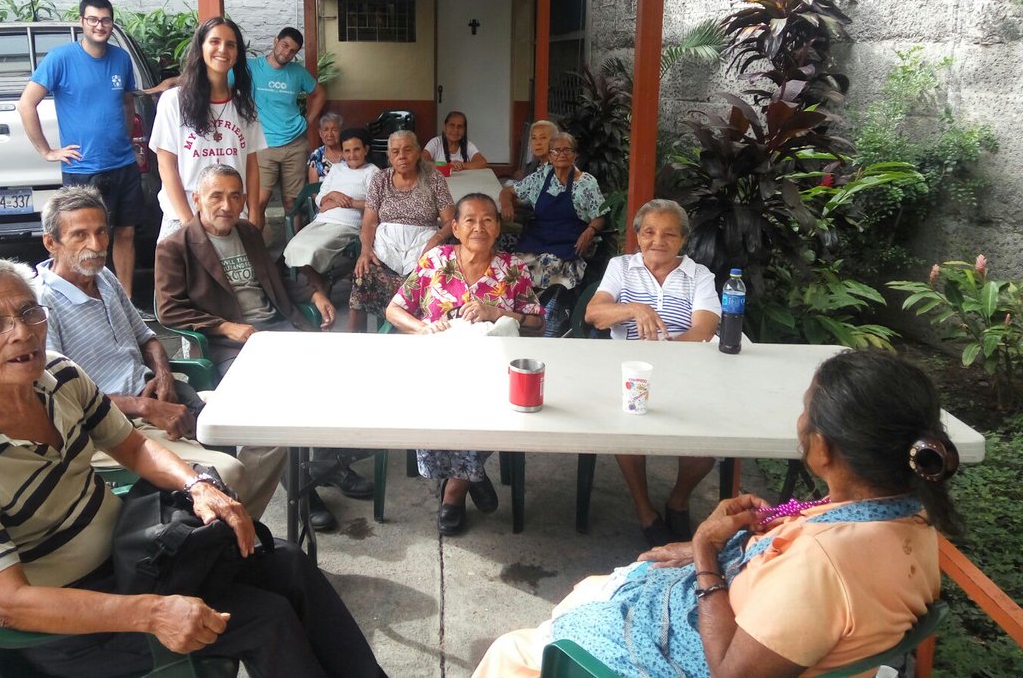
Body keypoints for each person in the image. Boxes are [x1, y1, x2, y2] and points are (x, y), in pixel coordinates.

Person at [0, 258, 388, 678]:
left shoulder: (57, 376)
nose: (22, 332)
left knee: (287, 564)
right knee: (266, 619)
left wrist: (198, 484)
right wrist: (153, 613)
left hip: (132, 558)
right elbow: (10, 604)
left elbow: (133, 447)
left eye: (29, 312)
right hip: (70, 626)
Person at [472, 349, 960, 678]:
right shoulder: (910, 520)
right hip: (779, 629)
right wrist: (756, 537)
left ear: (824, 450)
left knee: (513, 651)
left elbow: (731, 672)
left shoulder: (822, 566)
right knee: (590, 589)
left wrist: (705, 549)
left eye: (805, 411)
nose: (800, 422)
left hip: (717, 651)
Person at [33, 185, 278, 517]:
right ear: (52, 243)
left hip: (156, 399)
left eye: (101, 231)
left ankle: (227, 538)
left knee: (272, 433)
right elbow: (59, 397)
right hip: (110, 427)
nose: (96, 245)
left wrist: (163, 377)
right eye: (80, 235)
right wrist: (144, 407)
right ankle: (226, 536)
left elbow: (148, 339)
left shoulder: (104, 277)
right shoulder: (40, 305)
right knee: (229, 473)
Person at [155, 165, 368, 530]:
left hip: (278, 328)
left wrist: (314, 292)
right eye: (216, 196)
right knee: (278, 401)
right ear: (197, 199)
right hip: (232, 344)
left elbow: (278, 278)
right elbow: (168, 309)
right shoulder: (175, 247)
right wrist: (224, 326)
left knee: (338, 376)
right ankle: (303, 490)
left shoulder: (249, 233)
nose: (227, 205)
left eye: (235, 196)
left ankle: (328, 465)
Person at [385, 193, 544, 534]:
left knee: (495, 405)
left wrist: (498, 311)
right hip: (438, 365)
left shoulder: (512, 268)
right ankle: (474, 474)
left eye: (488, 219)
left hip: (492, 369)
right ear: (455, 227)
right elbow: (394, 310)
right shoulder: (435, 261)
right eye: (469, 220)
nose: (479, 227)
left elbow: (537, 324)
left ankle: (455, 489)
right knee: (430, 404)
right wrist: (424, 327)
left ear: (498, 227)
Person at [585, 199, 722, 546]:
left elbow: (704, 328)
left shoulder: (699, 275)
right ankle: (644, 509)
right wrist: (634, 308)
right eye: (648, 232)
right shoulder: (622, 267)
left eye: (669, 233)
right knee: (625, 432)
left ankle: (678, 498)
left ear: (682, 240)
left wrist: (666, 356)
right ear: (637, 236)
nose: (657, 240)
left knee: (707, 437)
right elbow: (594, 313)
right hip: (628, 367)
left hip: (685, 366)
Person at [19, 0, 142, 297]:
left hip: (123, 164)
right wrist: (47, 151)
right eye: (93, 19)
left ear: (112, 23)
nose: (100, 25)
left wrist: (127, 142)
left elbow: (127, 103)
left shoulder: (121, 59)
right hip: (83, 170)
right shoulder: (61, 58)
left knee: (125, 233)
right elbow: (26, 104)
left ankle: (123, 302)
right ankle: (89, 299)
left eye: (105, 20)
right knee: (86, 240)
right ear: (81, 22)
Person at [149, 17, 267, 240]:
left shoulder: (244, 105)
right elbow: (166, 164)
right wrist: (187, 222)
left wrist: (254, 213)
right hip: (183, 217)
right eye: (214, 41)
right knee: (179, 275)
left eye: (231, 44)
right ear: (200, 47)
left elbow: (251, 164)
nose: (222, 49)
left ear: (237, 54)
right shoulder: (174, 100)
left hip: (232, 216)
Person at [349, 130, 455, 332]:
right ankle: (355, 341)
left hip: (422, 245)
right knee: (362, 273)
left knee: (429, 278)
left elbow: (451, 221)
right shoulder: (380, 179)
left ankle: (419, 331)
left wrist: (437, 239)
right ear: (389, 157)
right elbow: (370, 221)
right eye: (395, 152)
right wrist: (365, 251)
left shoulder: (434, 178)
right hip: (386, 247)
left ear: (417, 152)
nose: (402, 156)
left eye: (407, 150)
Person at [499, 132, 605, 293]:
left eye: (567, 150)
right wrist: (506, 204)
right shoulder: (541, 176)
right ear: (549, 155)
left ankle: (548, 307)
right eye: (556, 150)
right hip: (539, 237)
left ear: (575, 155)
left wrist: (590, 231)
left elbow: (600, 216)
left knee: (548, 268)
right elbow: (507, 191)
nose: (561, 154)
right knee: (512, 268)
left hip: (569, 242)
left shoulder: (586, 183)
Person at [244, 28, 326, 230]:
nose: (287, 53)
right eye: (285, 45)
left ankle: (292, 255)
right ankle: (258, 252)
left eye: (293, 51)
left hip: (295, 145)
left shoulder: (298, 72)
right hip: (263, 144)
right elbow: (217, 82)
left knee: (292, 203)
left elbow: (319, 94)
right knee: (258, 202)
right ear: (276, 41)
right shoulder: (251, 67)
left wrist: (307, 120)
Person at [284, 127, 377, 294]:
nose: (352, 155)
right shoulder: (337, 169)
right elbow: (320, 198)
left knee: (313, 250)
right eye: (347, 150)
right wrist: (333, 194)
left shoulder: (372, 172)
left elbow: (376, 204)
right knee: (292, 247)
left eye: (356, 149)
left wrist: (344, 202)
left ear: (366, 149)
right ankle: (320, 282)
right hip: (322, 220)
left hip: (347, 224)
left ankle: (320, 284)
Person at [421, 110, 489, 172]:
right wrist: (448, 166)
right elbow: (422, 161)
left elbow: (482, 162)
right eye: (452, 125)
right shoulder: (435, 142)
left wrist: (461, 165)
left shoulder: (468, 145)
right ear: (444, 127)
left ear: (464, 130)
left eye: (459, 126)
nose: (455, 130)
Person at [307, 113, 345, 183]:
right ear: (320, 133)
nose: (330, 134)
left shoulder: (349, 152)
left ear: (341, 132)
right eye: (325, 130)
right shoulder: (316, 155)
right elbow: (313, 188)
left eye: (335, 130)